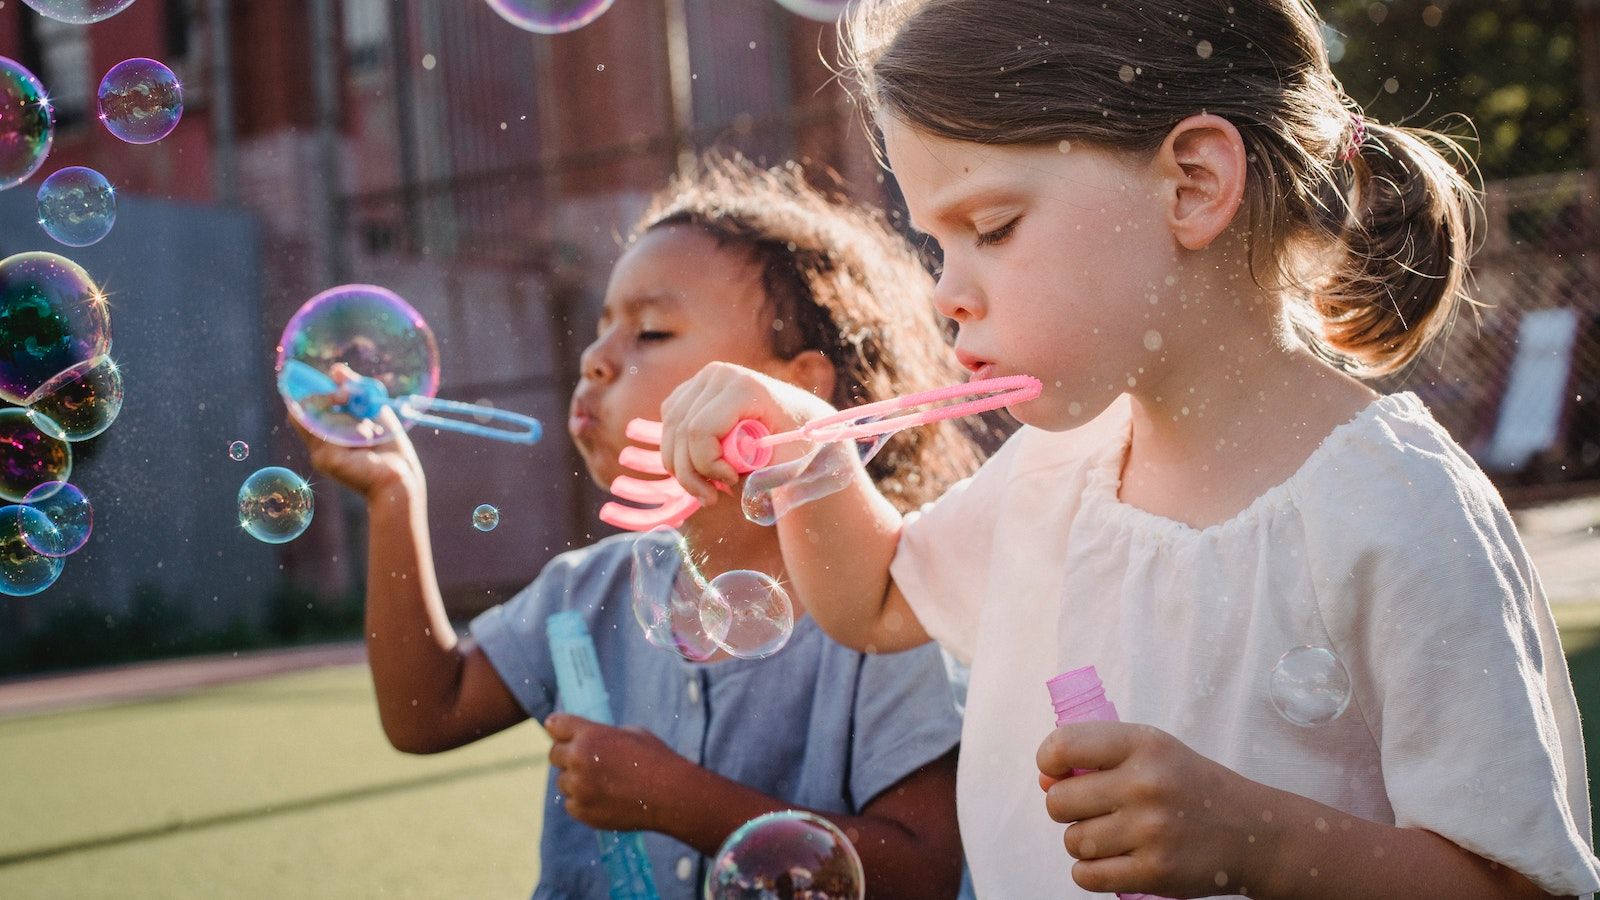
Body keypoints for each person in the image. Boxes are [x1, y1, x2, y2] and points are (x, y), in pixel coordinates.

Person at [653, 2, 1600, 897]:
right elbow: (878, 596)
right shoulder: (1059, 473)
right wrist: (805, 448)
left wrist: (1259, 842)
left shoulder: (1396, 511)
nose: (949, 293)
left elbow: (1514, 880)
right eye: (938, 244)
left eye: (991, 228)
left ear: (1192, 185)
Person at [294, 154, 978, 899]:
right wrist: (395, 495)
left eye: (650, 332)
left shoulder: (882, 607)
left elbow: (924, 870)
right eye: (601, 327)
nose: (595, 359)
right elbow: (428, 711)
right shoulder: (589, 589)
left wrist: (680, 800)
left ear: (794, 389)